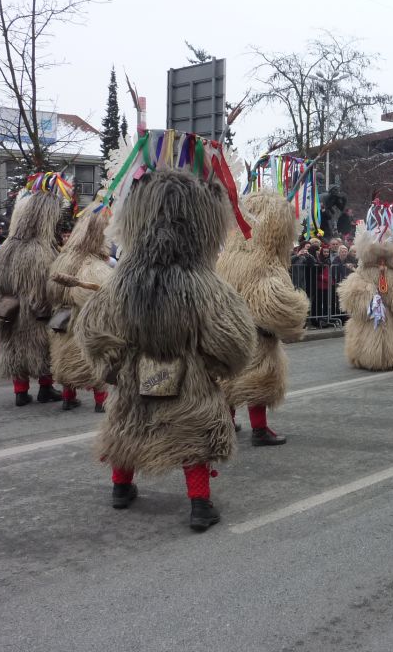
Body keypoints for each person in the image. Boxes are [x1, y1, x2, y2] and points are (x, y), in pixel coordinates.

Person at [73, 138, 256, 532]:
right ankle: (199, 505)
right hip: (189, 372)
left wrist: (114, 366)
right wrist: (215, 367)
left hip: (134, 372)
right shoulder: (206, 285)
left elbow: (93, 329)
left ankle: (121, 488)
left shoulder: (119, 281)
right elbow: (234, 339)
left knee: (126, 423)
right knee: (195, 430)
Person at [218, 188, 310, 447]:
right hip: (256, 335)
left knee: (227, 379)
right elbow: (276, 305)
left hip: (227, 332)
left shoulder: (226, 259)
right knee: (259, 378)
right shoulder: (267, 263)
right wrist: (294, 316)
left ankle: (226, 423)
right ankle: (259, 430)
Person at [0, 177, 64, 406]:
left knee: (13, 350)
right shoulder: (45, 253)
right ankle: (46, 388)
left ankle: (20, 392)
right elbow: (50, 288)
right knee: (42, 349)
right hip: (36, 314)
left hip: (8, 312)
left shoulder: (1, 251)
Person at [47, 210, 113, 413]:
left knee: (66, 358)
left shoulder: (61, 261)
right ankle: (101, 401)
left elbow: (52, 291)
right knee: (94, 360)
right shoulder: (95, 266)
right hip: (86, 322)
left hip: (62, 319)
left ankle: (68, 397)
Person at [338, 202, 393, 371]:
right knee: (368, 329)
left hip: (389, 315)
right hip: (371, 314)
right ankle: (364, 356)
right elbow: (350, 292)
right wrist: (369, 295)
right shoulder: (364, 270)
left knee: (391, 330)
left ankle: (389, 357)